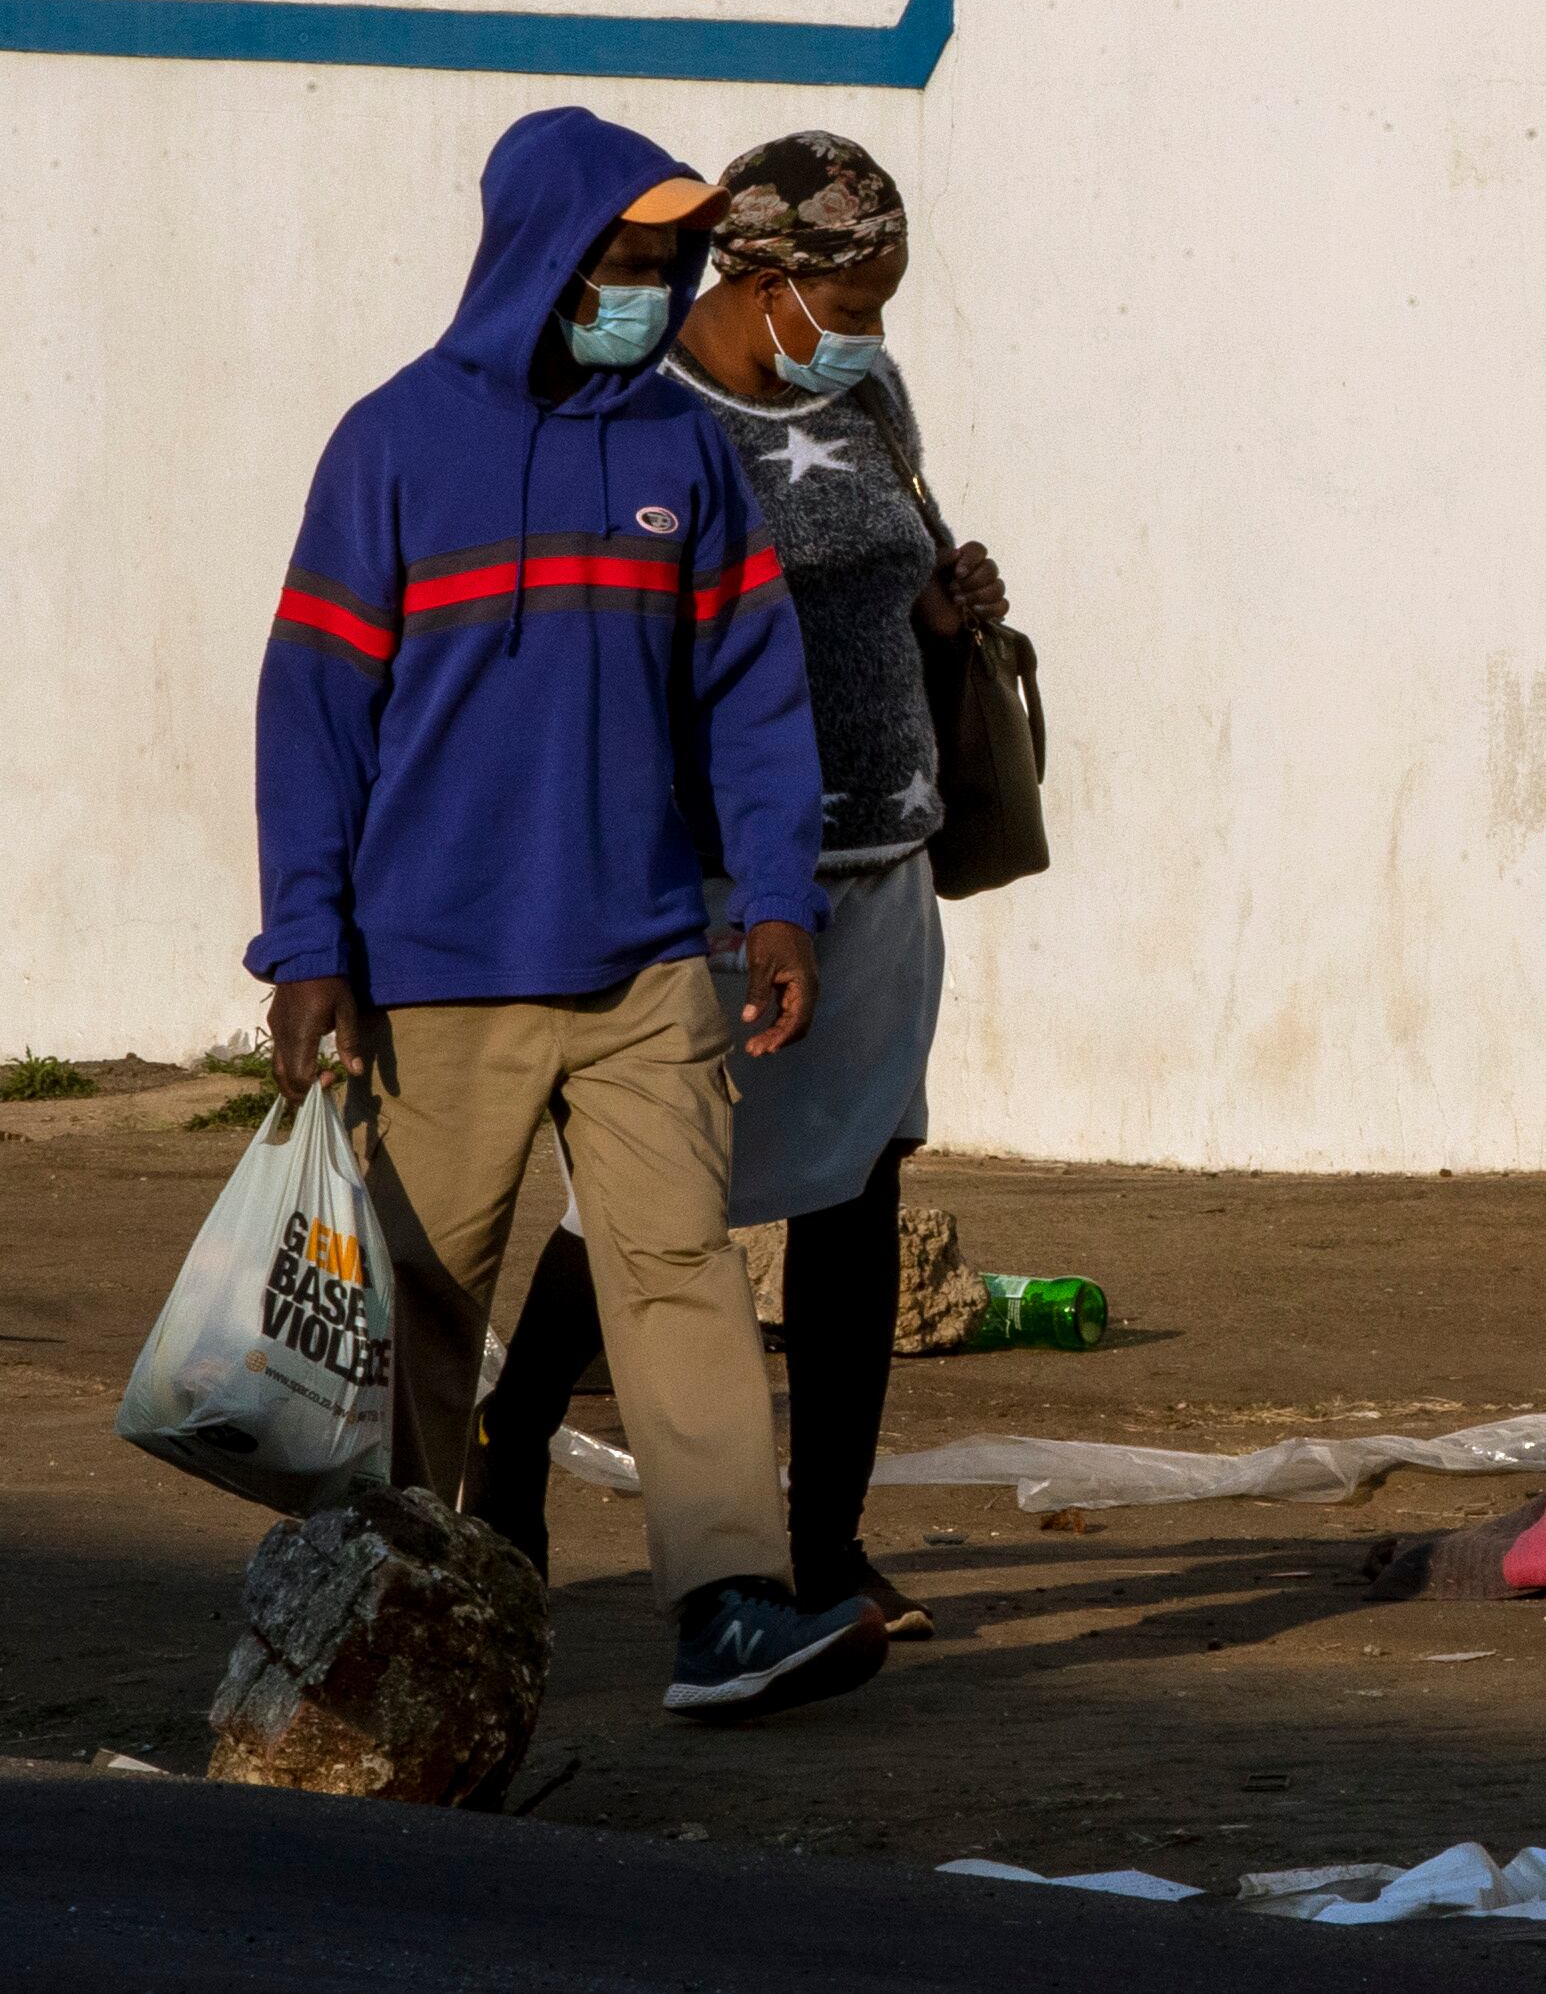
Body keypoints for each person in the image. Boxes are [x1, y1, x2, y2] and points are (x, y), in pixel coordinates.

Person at [252, 107, 889, 1720]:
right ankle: (374, 1608)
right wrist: (307, 942)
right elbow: (313, 706)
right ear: (540, 255)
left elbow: (753, 694)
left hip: (646, 964)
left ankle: (731, 1603)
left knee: (680, 1271)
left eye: (665, 260)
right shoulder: (391, 445)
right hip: (439, 976)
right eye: (623, 258)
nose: (648, 286)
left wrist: (781, 907)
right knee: (423, 1306)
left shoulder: (681, 454)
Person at [470, 132, 1004, 1641]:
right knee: (651, 1201)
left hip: (882, 849)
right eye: (852, 296)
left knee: (858, 1192)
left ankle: (825, 1546)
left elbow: (881, 561)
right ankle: (508, 1461)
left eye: (886, 303)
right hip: (719, 876)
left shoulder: (865, 392)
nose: (870, 332)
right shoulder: (646, 417)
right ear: (764, 280)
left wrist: (946, 599)